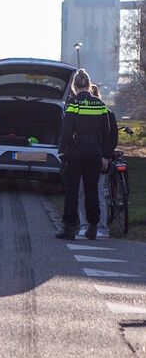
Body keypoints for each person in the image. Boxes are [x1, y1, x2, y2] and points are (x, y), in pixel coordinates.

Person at [56, 70, 111, 241]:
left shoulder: (73, 103)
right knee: (92, 190)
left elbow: (66, 130)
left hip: (76, 150)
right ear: (88, 84)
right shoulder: (100, 104)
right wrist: (103, 152)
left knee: (72, 191)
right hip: (94, 151)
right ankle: (93, 227)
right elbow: (107, 131)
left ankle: (69, 228)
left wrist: (62, 148)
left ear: (74, 86)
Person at [77, 84, 118, 239]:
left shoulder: (107, 114)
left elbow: (112, 137)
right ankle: (85, 225)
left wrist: (106, 156)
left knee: (96, 192)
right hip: (87, 157)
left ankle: (100, 227)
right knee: (85, 193)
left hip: (99, 158)